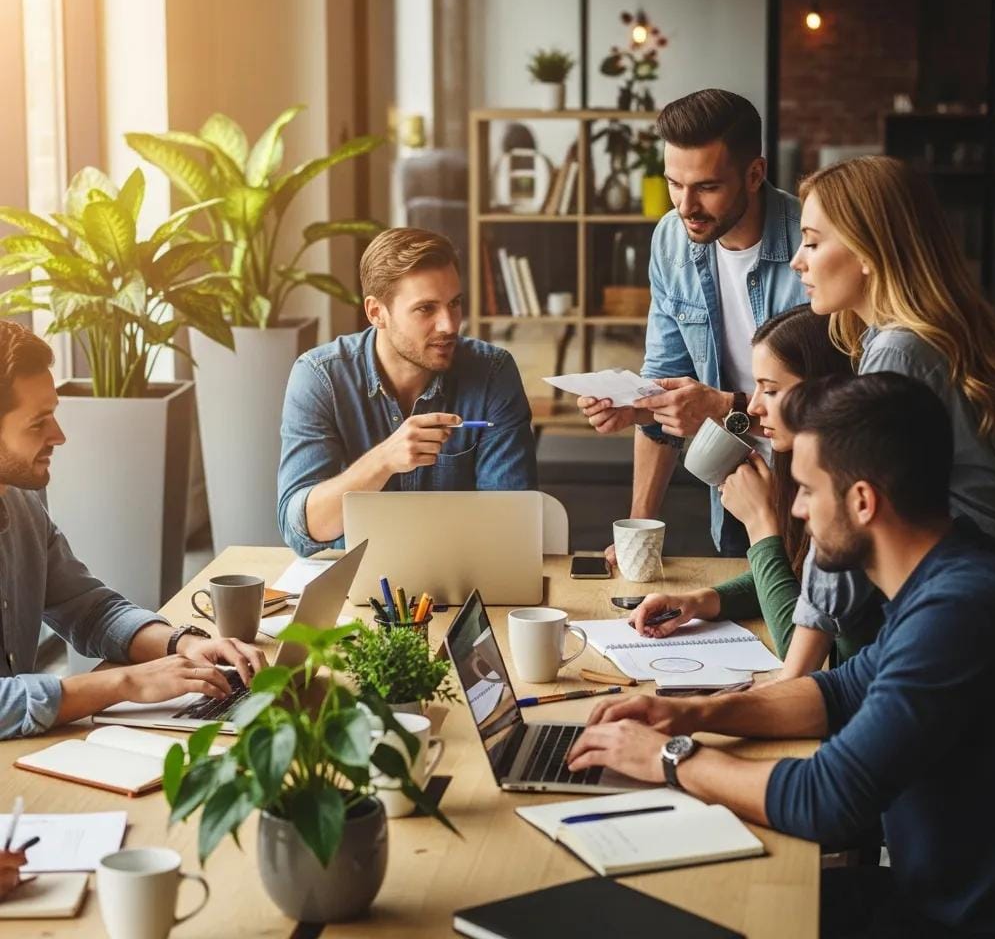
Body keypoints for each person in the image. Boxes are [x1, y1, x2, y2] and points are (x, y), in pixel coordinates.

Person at [567, 373, 995, 938]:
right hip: (928, 897)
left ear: (862, 501)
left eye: (807, 490)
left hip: (960, 922)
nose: (799, 512)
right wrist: (691, 714)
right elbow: (837, 692)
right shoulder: (950, 571)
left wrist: (670, 756)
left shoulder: (958, 611)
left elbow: (828, 798)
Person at [780, 154, 995, 677]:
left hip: (967, 608)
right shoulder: (918, 336)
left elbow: (852, 511)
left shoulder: (900, 350)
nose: (798, 261)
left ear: (869, 252)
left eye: (814, 241)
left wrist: (790, 678)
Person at [0, 322, 266, 740]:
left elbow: (90, 609)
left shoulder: (23, 504)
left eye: (54, 415)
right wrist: (126, 683)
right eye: (38, 424)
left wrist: (181, 644)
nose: (60, 436)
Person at [576, 88, 806, 556]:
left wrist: (724, 407)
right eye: (674, 184)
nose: (685, 205)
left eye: (706, 187)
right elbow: (662, 383)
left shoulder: (813, 242)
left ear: (754, 174)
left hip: (813, 496)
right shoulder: (671, 240)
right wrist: (639, 533)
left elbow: (842, 401)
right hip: (736, 493)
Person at [629, 304, 883, 664]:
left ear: (826, 394)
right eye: (756, 388)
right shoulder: (805, 470)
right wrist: (699, 602)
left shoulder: (855, 503)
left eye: (772, 390)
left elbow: (801, 654)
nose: (754, 408)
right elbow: (803, 584)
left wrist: (761, 527)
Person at [277, 227, 537, 556]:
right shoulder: (320, 377)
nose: (449, 325)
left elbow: (511, 523)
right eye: (426, 309)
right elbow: (301, 530)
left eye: (454, 304)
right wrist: (383, 461)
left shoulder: (492, 373)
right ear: (376, 313)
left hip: (464, 576)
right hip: (354, 587)